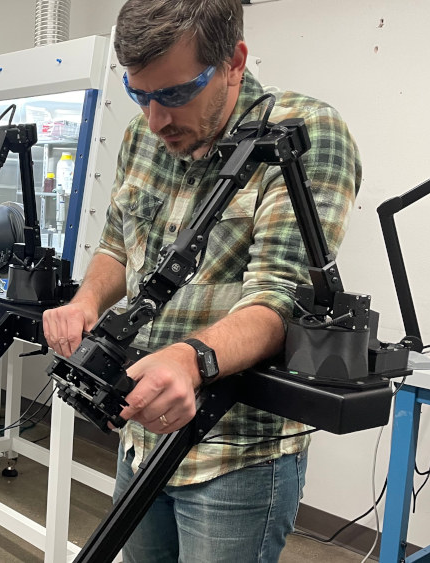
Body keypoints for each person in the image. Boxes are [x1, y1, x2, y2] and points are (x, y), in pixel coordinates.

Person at [42, 1, 360, 561]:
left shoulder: (304, 134)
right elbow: (118, 244)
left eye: (175, 94)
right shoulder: (145, 139)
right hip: (141, 434)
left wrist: (190, 360)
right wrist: (85, 300)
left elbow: (280, 297)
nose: (155, 119)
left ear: (234, 61)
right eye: (140, 95)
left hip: (235, 455)